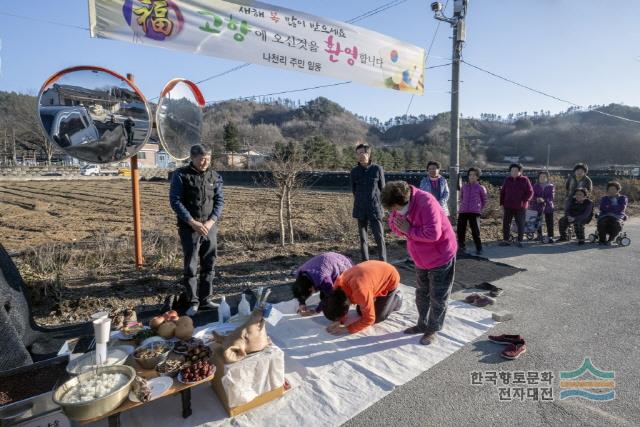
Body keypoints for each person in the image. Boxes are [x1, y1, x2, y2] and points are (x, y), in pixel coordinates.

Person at [382, 181, 457, 345]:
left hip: (440, 254)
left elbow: (433, 234)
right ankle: (422, 324)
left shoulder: (426, 202)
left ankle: (433, 328)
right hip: (420, 257)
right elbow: (394, 225)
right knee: (422, 293)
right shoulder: (399, 205)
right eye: (392, 209)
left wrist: (409, 230)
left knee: (438, 295)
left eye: (396, 208)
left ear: (405, 199)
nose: (395, 212)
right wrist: (403, 228)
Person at [169, 144, 224, 316]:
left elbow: (219, 201)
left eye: (207, 158)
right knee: (191, 265)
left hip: (209, 227)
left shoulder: (214, 176)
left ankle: (205, 299)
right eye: (201, 158)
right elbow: (175, 201)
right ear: (192, 158)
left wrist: (210, 222)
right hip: (189, 228)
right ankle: (193, 301)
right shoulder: (181, 175)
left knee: (209, 262)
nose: (205, 162)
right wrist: (192, 222)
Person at [323, 261, 402, 335]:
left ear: (346, 304)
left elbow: (369, 319)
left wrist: (346, 329)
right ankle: (374, 297)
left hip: (390, 276)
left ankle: (397, 298)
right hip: (372, 273)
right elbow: (338, 304)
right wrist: (339, 320)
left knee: (378, 317)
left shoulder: (360, 291)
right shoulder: (336, 288)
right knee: (360, 311)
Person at [350, 143, 387, 262]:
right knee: (363, 238)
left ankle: (383, 262)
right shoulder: (354, 171)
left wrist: (382, 205)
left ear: (369, 154)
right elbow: (354, 190)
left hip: (375, 208)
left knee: (379, 236)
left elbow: (383, 189)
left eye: (363, 153)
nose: (361, 155)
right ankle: (365, 262)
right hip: (360, 208)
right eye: (359, 153)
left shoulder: (377, 169)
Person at [292, 252, 353, 316]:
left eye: (311, 293)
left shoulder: (325, 279)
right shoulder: (300, 274)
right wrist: (302, 304)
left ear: (311, 289)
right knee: (323, 295)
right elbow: (299, 291)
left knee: (335, 300)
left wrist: (316, 311)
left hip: (343, 264)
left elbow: (330, 295)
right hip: (326, 261)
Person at [499, 163, 534, 247]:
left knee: (520, 224)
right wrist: (501, 204)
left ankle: (520, 241)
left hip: (520, 207)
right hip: (508, 206)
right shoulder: (507, 179)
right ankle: (506, 240)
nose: (513, 172)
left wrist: (524, 201)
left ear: (520, 171)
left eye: (515, 170)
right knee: (506, 223)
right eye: (512, 171)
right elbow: (502, 192)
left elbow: (530, 192)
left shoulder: (525, 180)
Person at [457, 167, 488, 255]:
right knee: (460, 230)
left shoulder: (481, 188)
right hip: (463, 211)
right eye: (470, 175)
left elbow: (484, 200)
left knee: (475, 231)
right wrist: (461, 206)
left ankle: (479, 248)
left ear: (478, 177)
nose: (472, 177)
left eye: (474, 175)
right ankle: (461, 247)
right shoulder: (464, 187)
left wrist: (479, 208)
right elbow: (461, 198)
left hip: (475, 212)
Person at [529, 171, 555, 243]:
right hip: (537, 206)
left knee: (549, 222)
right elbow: (532, 196)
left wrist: (544, 200)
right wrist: (536, 199)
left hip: (548, 206)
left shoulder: (551, 186)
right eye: (541, 177)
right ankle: (539, 235)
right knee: (538, 221)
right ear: (538, 178)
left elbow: (551, 197)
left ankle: (550, 236)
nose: (542, 178)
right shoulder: (535, 186)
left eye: (544, 177)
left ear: (547, 178)